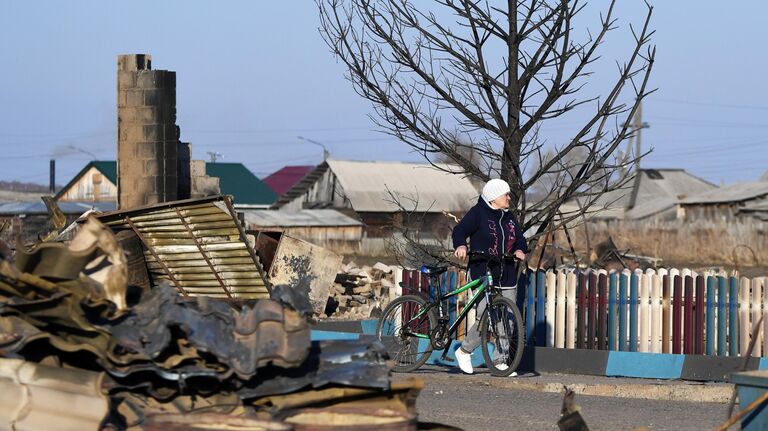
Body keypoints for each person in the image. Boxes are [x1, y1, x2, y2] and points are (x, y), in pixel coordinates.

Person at [451, 178, 528, 375]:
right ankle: (464, 350)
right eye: (506, 195)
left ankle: (501, 361)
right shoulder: (478, 213)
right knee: (487, 316)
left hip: (507, 273)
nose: (509, 198)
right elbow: (460, 230)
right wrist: (461, 245)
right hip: (483, 271)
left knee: (508, 318)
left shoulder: (509, 216)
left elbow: (520, 239)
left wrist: (520, 250)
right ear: (494, 197)